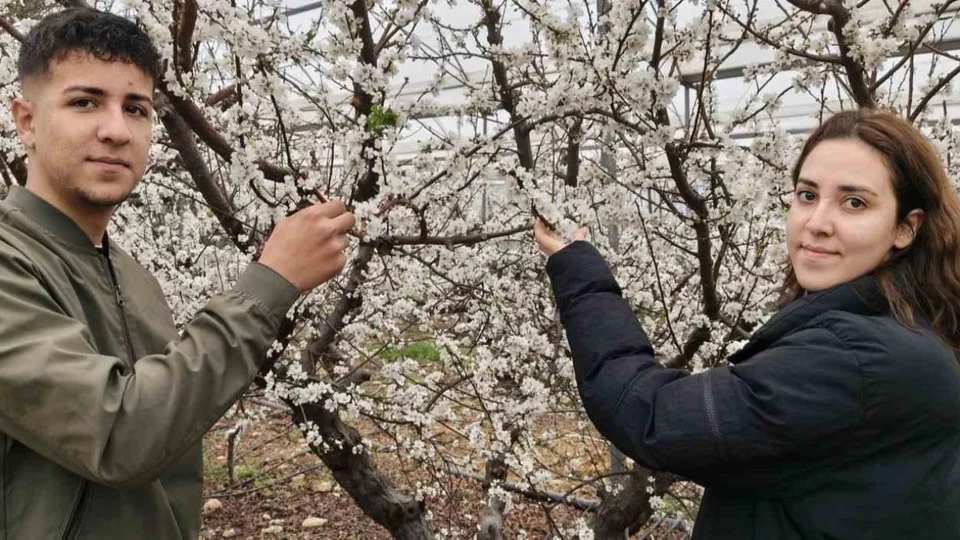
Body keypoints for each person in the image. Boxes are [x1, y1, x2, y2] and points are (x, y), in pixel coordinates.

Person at [0, 8, 354, 539]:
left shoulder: (133, 276)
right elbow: (120, 436)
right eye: (84, 102)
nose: (116, 130)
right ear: (26, 120)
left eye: (136, 108)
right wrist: (269, 283)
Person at [535, 109, 960, 539]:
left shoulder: (859, 361)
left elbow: (652, 416)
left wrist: (579, 273)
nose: (816, 224)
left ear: (906, 228)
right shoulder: (914, 328)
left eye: (855, 203)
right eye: (807, 195)